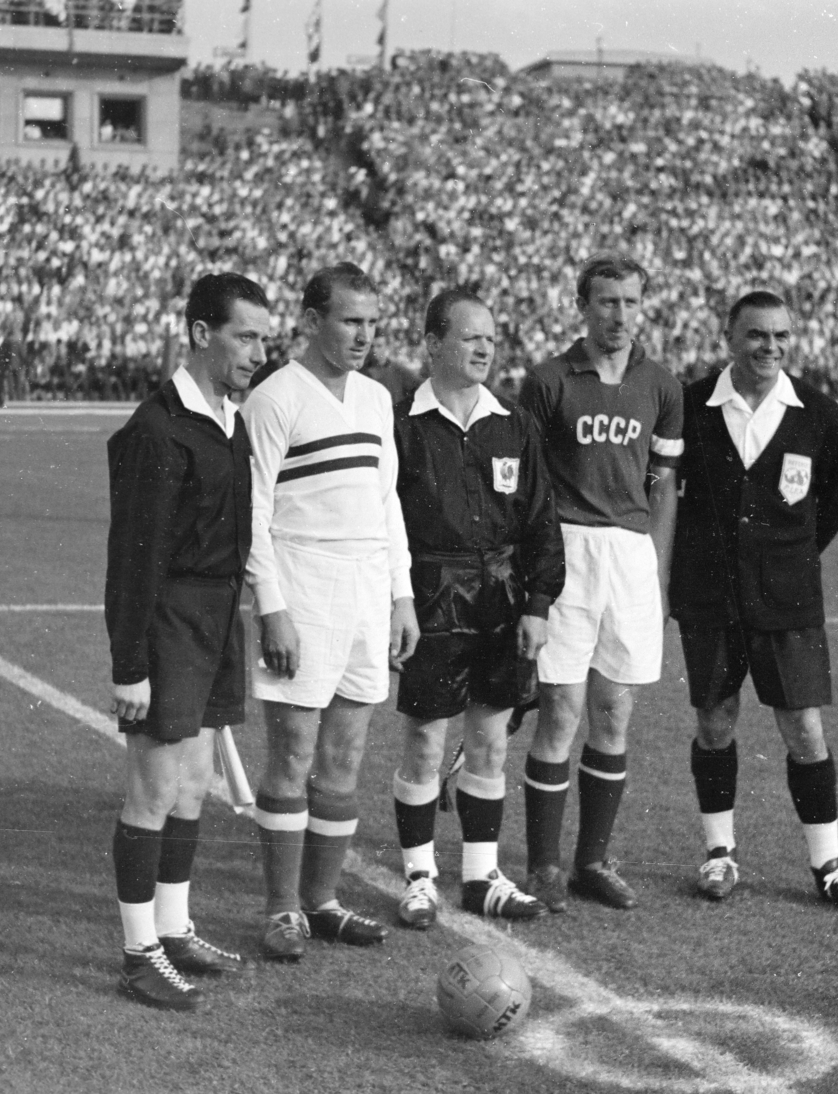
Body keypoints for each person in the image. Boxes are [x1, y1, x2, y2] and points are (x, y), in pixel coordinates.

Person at [669, 290, 838, 912]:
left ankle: (828, 865)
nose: (771, 346)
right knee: (715, 721)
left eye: (782, 335)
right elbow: (664, 488)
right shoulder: (690, 406)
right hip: (708, 596)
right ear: (730, 337)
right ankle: (719, 854)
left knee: (804, 730)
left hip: (787, 601)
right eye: (757, 334)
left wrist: (787, 555)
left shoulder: (819, 414)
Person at [243, 262, 420, 962]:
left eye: (371, 323)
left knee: (345, 756)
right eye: (350, 320)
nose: (363, 335)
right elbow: (254, 513)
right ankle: (282, 908)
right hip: (304, 584)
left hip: (367, 590)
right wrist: (273, 608)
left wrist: (402, 594)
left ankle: (322, 901)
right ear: (312, 322)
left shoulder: (378, 399)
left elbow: (388, 505)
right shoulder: (275, 396)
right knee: (293, 753)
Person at [104, 272, 270, 1010]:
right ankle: (138, 954)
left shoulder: (228, 420)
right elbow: (132, 561)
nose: (259, 352)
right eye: (246, 336)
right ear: (202, 334)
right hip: (170, 619)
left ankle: (173, 929)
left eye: (265, 338)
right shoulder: (157, 428)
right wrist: (130, 666)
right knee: (153, 788)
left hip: (217, 618)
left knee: (195, 782)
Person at [389, 288, 565, 928]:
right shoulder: (404, 424)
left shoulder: (512, 424)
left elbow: (543, 522)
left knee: (490, 742)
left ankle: (481, 875)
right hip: (432, 597)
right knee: (426, 742)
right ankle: (419, 876)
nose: (485, 347)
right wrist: (397, 600)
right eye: (470, 337)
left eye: (491, 337)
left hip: (501, 599)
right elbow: (387, 525)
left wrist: (538, 603)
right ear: (434, 343)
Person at [517, 252, 683, 912]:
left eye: (631, 303)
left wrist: (658, 571)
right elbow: (528, 487)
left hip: (631, 555)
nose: (620, 315)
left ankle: (593, 859)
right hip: (566, 549)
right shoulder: (548, 380)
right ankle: (545, 867)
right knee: (560, 710)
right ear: (583, 306)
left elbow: (664, 487)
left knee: (613, 712)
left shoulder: (662, 386)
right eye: (607, 301)